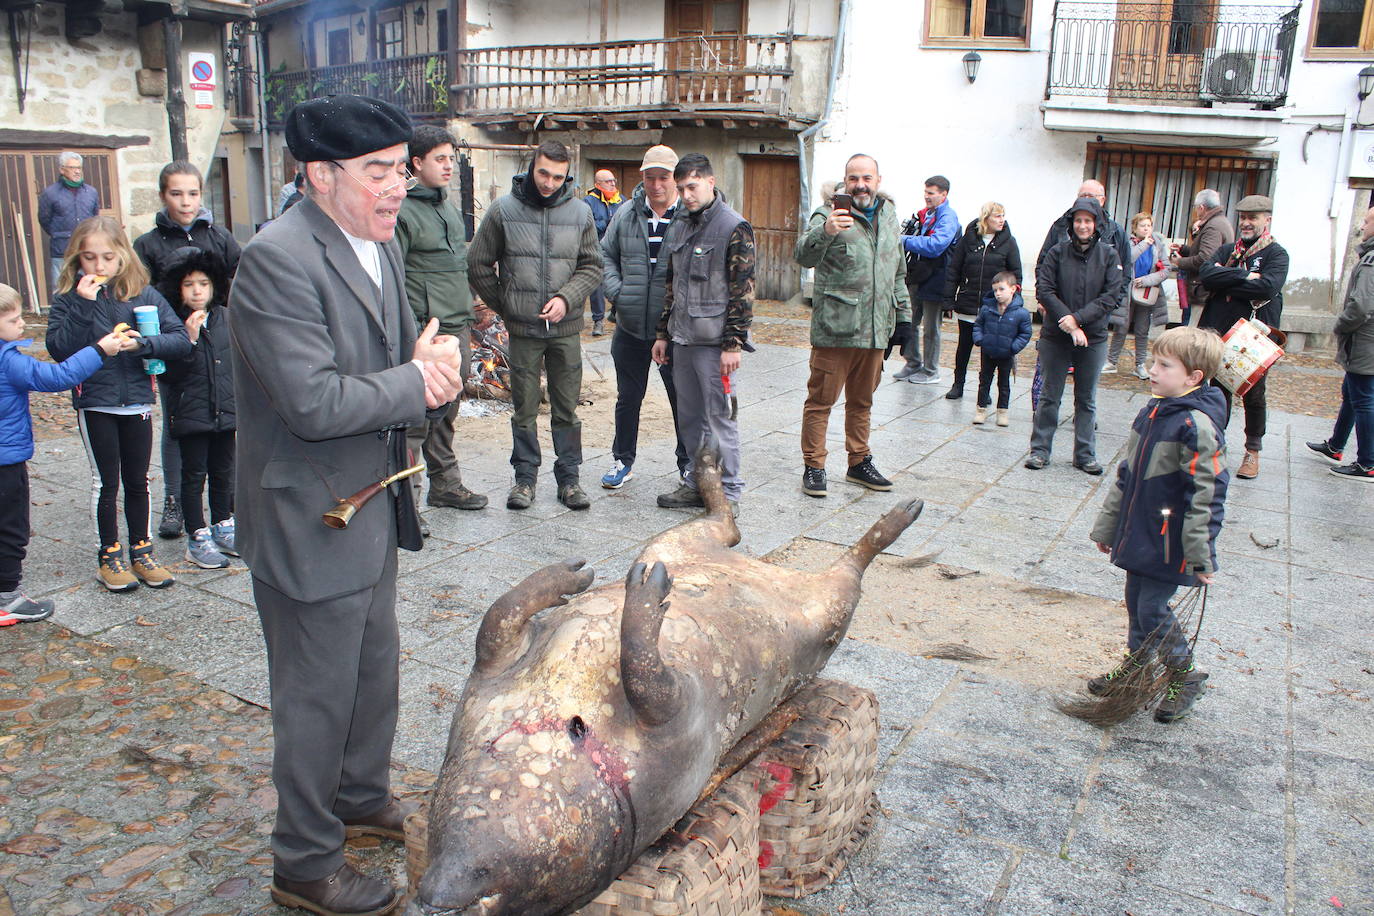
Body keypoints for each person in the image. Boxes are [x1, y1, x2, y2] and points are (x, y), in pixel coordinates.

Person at [229, 94, 466, 915]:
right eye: (378, 172)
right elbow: (312, 402)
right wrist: (416, 380)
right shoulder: (276, 260)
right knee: (315, 696)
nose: (398, 188)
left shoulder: (380, 242)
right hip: (307, 518)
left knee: (373, 673)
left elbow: (400, 354)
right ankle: (303, 860)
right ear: (321, 174)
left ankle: (360, 794)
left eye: (402, 169)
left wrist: (427, 366)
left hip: (371, 505)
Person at [1088, 326, 1230, 724]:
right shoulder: (1152, 410)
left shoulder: (1196, 425)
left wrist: (1201, 555)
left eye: (1164, 365)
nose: (1152, 370)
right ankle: (1136, 668)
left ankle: (1184, 675)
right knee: (1137, 605)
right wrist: (1109, 526)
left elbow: (1208, 494)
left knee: (1152, 607)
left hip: (1172, 541)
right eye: (1152, 361)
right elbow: (1127, 474)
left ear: (1193, 378)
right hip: (1140, 531)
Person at [46, 215, 190, 591]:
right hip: (95, 402)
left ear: (123, 256)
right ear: (78, 259)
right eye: (90, 257)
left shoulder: (143, 294)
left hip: (138, 400)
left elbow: (179, 339)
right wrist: (82, 305)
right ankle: (108, 556)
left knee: (139, 480)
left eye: (107, 257)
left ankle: (142, 551)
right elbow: (59, 348)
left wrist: (144, 344)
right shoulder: (69, 298)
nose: (99, 266)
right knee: (106, 483)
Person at [468, 140, 603, 511]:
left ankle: (570, 481)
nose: (549, 182)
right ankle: (524, 480)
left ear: (567, 176)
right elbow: (478, 264)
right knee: (524, 409)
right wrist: (507, 306)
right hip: (524, 332)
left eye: (558, 176)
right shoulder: (502, 210)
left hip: (565, 331)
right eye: (543, 173)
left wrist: (567, 298)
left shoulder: (580, 213)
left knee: (566, 409)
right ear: (532, 167)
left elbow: (592, 267)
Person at [1, 285, 133, 624]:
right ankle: (7, 597)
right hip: (6, 461)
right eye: (15, 320)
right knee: (11, 528)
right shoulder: (8, 361)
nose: (22, 325)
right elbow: (59, 377)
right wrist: (100, 349)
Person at [134, 160, 243, 540]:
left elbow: (239, 278)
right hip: (176, 346)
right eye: (176, 194)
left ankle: (224, 509)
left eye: (193, 193)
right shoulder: (148, 244)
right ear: (164, 196)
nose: (185, 202)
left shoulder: (218, 236)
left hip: (218, 344)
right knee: (180, 425)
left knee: (222, 428)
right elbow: (140, 295)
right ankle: (177, 500)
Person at [793, 152, 910, 497]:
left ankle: (859, 462)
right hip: (835, 329)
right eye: (854, 178)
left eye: (867, 178)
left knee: (862, 402)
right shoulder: (828, 213)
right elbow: (802, 255)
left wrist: (902, 318)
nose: (860, 185)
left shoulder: (889, 216)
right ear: (845, 182)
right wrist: (827, 230)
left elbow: (897, 271)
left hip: (875, 330)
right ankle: (814, 467)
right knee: (820, 402)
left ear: (878, 181)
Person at [652, 153, 754, 515]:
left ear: (711, 182)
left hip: (715, 346)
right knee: (690, 419)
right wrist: (663, 333)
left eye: (692, 186)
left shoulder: (733, 226)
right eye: (681, 189)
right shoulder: (680, 225)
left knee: (721, 419)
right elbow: (671, 285)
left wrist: (733, 343)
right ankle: (697, 483)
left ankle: (729, 493)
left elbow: (743, 291)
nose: (686, 195)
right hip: (683, 341)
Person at [397, 125, 488, 521]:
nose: (449, 165)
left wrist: (475, 303)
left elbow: (454, 266)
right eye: (440, 158)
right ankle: (407, 503)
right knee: (417, 421)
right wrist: (413, 330)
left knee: (447, 412)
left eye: (452, 158)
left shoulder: (449, 208)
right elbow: (395, 276)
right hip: (428, 332)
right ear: (417, 164)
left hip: (458, 325)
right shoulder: (402, 210)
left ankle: (445, 486)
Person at [599, 144, 688, 490]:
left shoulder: (689, 215)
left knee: (682, 398)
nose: (656, 186)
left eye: (663, 178)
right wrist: (618, 292)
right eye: (650, 178)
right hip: (631, 327)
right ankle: (623, 460)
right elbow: (604, 253)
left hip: (674, 329)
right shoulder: (626, 214)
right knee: (628, 397)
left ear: (675, 179)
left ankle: (687, 464)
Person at [1026, 197, 1125, 475]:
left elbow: (1111, 296)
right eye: (1078, 220)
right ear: (1072, 223)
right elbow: (1045, 289)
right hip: (1056, 336)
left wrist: (1078, 319)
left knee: (1086, 398)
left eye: (1088, 221)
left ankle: (1085, 454)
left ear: (1096, 224)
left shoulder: (1109, 256)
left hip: (1092, 337)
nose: (1083, 226)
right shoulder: (1057, 252)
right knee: (1049, 395)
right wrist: (1068, 323)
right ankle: (1040, 450)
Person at [1196, 195, 1289, 481]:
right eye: (1244, 218)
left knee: (1254, 392)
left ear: (1267, 220)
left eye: (1254, 218)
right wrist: (1245, 276)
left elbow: (1268, 287)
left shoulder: (1277, 254)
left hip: (1253, 335)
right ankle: (1215, 445)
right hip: (1219, 330)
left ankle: (1253, 450)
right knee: (1217, 390)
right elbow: (1206, 274)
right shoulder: (1227, 249)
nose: (1247, 223)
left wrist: (1228, 276)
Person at [157, 248, 238, 569]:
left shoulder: (226, 318)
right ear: (178, 288)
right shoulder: (173, 324)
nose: (196, 290)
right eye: (189, 284)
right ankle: (197, 534)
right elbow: (169, 374)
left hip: (226, 411)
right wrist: (188, 340)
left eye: (203, 283)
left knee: (223, 472)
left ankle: (222, 523)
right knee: (193, 476)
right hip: (192, 414)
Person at [1307, 205, 1374, 481]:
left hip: (1365, 341)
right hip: (1364, 341)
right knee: (1352, 392)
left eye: (1368, 221)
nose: (1362, 226)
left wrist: (1339, 325)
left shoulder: (1371, 261)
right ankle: (1336, 445)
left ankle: (1368, 463)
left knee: (1364, 399)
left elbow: (1360, 307)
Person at [942, 201, 1021, 400]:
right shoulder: (968, 240)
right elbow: (954, 270)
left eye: (1003, 216)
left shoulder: (1009, 242)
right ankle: (958, 383)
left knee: (989, 351)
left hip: (993, 306)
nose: (1001, 220)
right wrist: (948, 300)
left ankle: (983, 391)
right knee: (964, 346)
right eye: (997, 216)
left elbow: (1016, 274)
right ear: (986, 218)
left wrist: (1012, 301)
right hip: (968, 301)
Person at [894, 176, 958, 384]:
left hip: (937, 278)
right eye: (926, 192)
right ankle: (913, 363)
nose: (926, 197)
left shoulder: (948, 218)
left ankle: (931, 371)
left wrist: (904, 240)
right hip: (918, 276)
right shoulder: (926, 214)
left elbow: (936, 245)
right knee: (909, 321)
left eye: (931, 193)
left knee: (931, 327)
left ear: (943, 194)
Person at [1105, 211, 1170, 379]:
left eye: (1149, 226)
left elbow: (1166, 269)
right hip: (1127, 291)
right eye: (1143, 226)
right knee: (1121, 327)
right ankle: (1111, 362)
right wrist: (1144, 245)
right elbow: (1128, 259)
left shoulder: (1158, 245)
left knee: (1142, 330)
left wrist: (1147, 280)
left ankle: (1140, 364)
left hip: (1147, 292)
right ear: (1135, 227)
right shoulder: (1129, 243)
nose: (1146, 229)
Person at [1035, 179, 1131, 285]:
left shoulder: (1116, 231)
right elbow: (1043, 265)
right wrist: (1046, 295)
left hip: (1104, 300)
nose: (1086, 200)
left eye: (1090, 196)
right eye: (1082, 196)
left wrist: (1115, 301)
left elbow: (1125, 272)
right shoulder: (1061, 226)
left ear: (1102, 200)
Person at [971, 271, 1032, 427]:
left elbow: (1025, 333)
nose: (997, 293)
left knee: (1004, 384)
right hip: (988, 351)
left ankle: (1002, 411)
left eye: (1001, 289)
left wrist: (1014, 347)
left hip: (1006, 354)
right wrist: (980, 339)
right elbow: (978, 325)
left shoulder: (1021, 313)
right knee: (984, 381)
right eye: (995, 290)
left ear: (1013, 289)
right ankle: (981, 410)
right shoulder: (987, 309)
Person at [1169, 189, 1233, 327]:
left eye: (1196, 208)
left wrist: (1179, 262)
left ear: (1201, 207)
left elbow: (1205, 259)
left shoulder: (1213, 226)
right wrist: (1183, 249)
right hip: (1207, 288)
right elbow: (1209, 253)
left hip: (1204, 289)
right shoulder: (1219, 222)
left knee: (1194, 333)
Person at [37, 151, 100, 290]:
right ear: (62, 169)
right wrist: (59, 233)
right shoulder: (50, 193)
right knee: (60, 288)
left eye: (79, 168)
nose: (77, 171)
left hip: (87, 248)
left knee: (89, 285)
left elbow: (95, 218)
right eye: (72, 168)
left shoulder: (91, 192)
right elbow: (44, 219)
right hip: (61, 249)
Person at [584, 169, 623, 336]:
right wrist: (609, 222)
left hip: (619, 249)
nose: (613, 183)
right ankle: (598, 321)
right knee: (596, 285)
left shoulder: (622, 201)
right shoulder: (588, 202)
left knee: (621, 280)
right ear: (597, 185)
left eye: (613, 180)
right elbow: (588, 226)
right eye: (608, 181)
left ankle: (617, 312)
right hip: (597, 249)